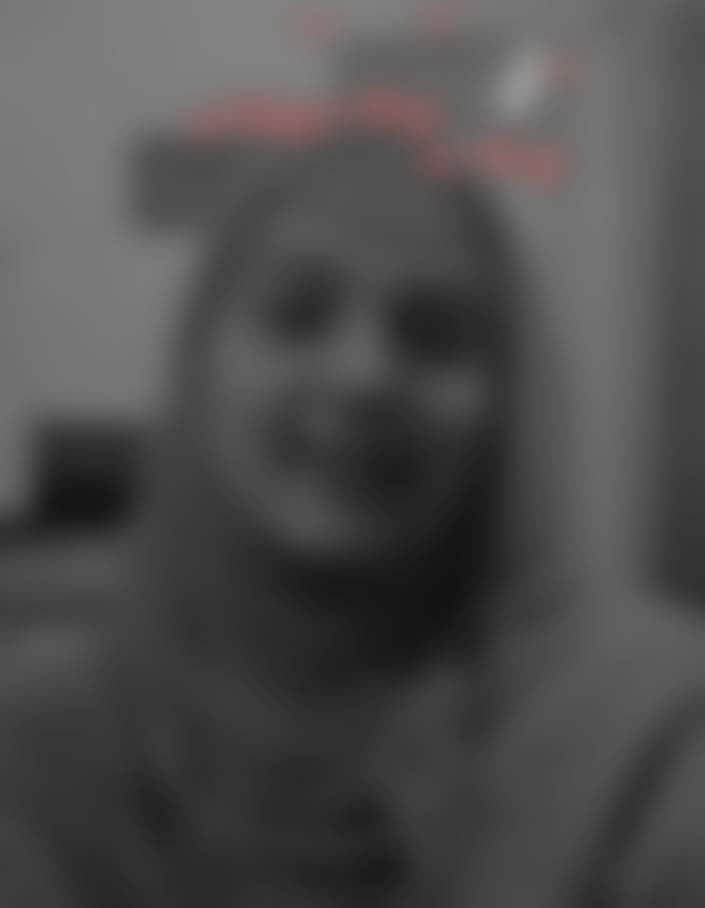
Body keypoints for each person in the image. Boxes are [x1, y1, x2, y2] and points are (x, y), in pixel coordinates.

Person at [2, 128, 705, 908]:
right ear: (199, 366)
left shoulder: (645, 736)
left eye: (434, 333)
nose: (364, 375)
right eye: (298, 314)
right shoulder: (42, 736)